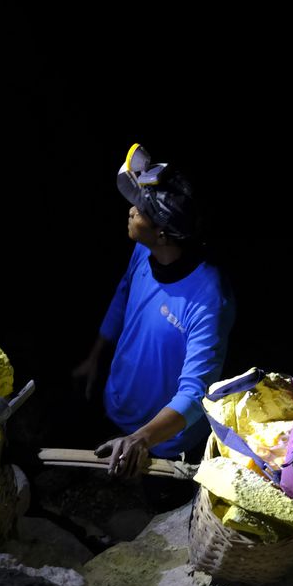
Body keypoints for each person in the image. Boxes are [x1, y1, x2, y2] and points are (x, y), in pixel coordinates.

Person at [72, 143, 236, 482]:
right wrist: (95, 356)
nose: (131, 211)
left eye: (141, 208)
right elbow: (122, 296)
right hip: (119, 403)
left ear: (163, 232)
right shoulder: (143, 251)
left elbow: (195, 395)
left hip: (162, 441)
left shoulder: (209, 299)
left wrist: (141, 439)